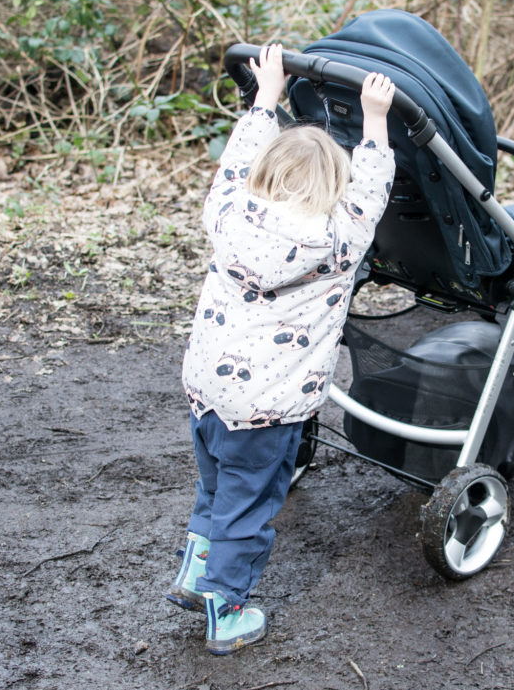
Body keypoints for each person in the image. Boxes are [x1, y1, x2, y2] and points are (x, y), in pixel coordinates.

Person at [167, 43, 396, 655]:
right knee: (249, 506)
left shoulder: (227, 213)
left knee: (215, 489)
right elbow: (371, 191)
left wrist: (266, 96)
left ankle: (196, 571)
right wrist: (375, 120)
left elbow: (236, 160)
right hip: (268, 410)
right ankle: (226, 608)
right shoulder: (337, 242)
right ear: (332, 192)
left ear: (263, 176)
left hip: (207, 392)